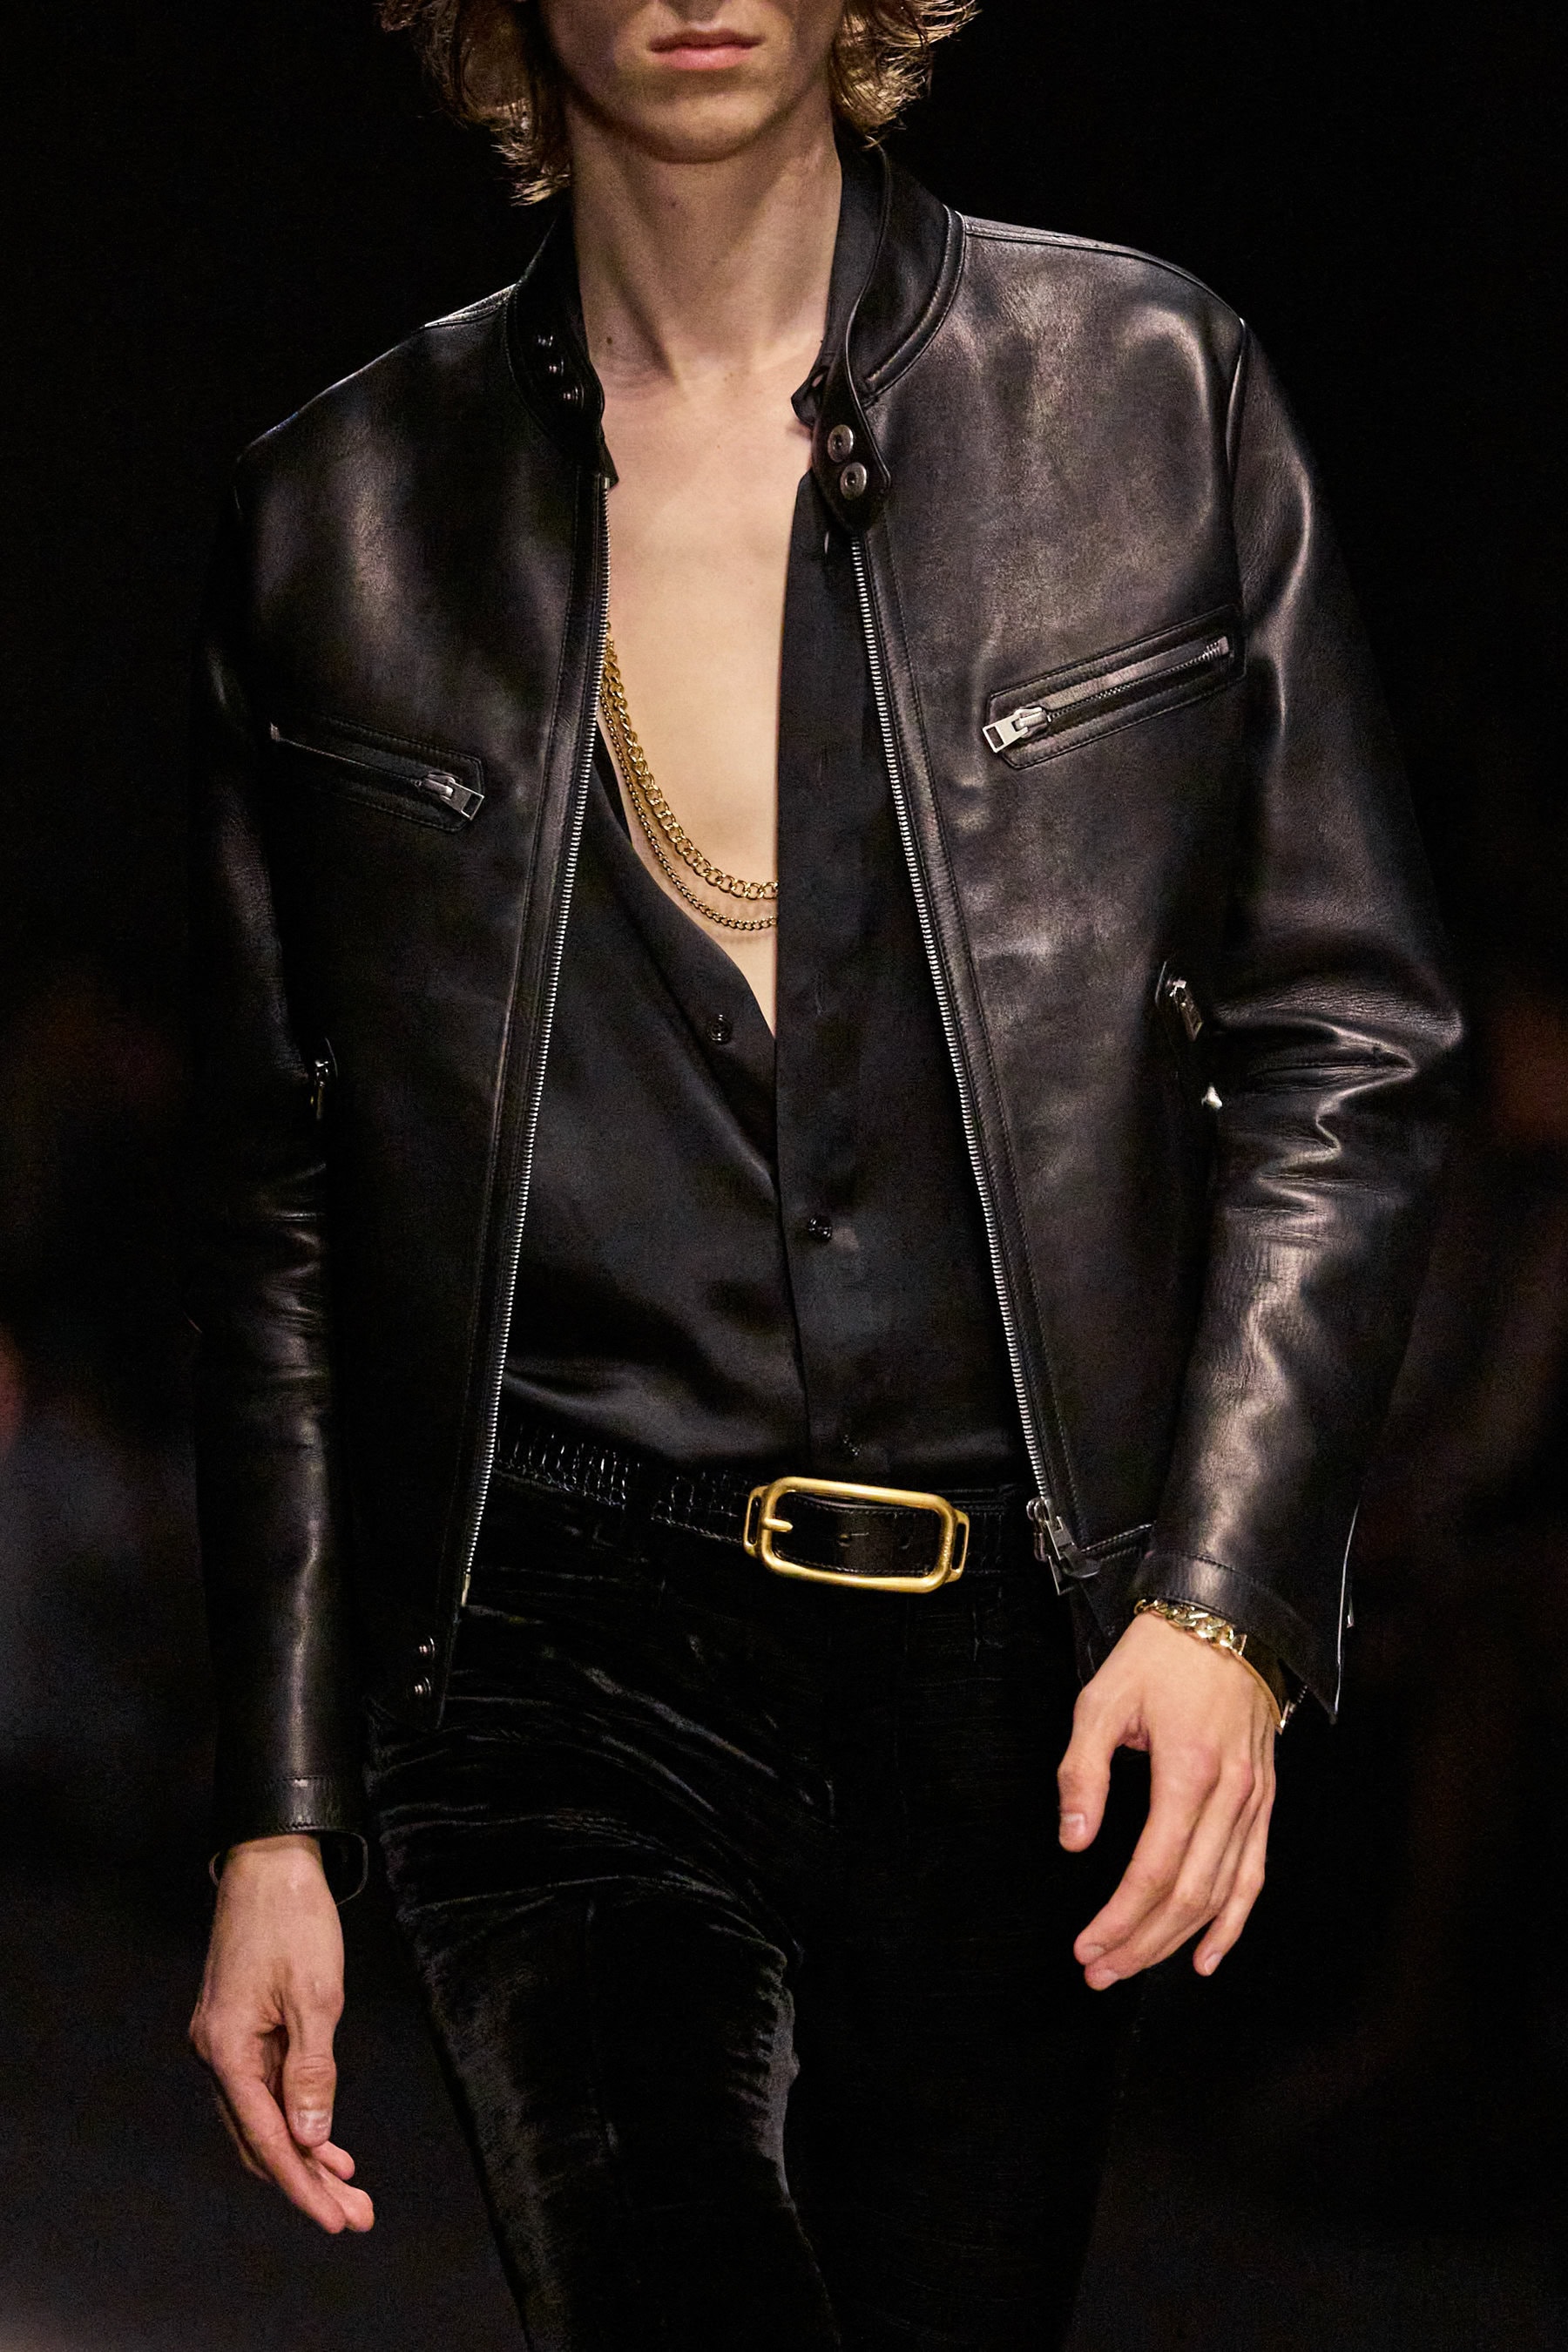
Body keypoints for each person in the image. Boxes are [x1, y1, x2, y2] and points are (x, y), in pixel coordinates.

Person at [185, 3, 1463, 2344]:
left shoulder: (1142, 396)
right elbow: (280, 1195)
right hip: (554, 1647)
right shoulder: (341, 514)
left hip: (1015, 1671)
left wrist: (1226, 1601)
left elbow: (1348, 1036)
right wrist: (279, 1806)